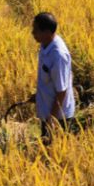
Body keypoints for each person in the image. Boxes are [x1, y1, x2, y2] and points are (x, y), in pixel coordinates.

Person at [31, 12, 76, 142]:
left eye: (36, 30)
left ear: (47, 32)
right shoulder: (46, 44)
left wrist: (52, 119)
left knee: (55, 154)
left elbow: (62, 90)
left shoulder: (58, 55)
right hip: (49, 111)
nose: (33, 32)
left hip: (59, 117)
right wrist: (38, 96)